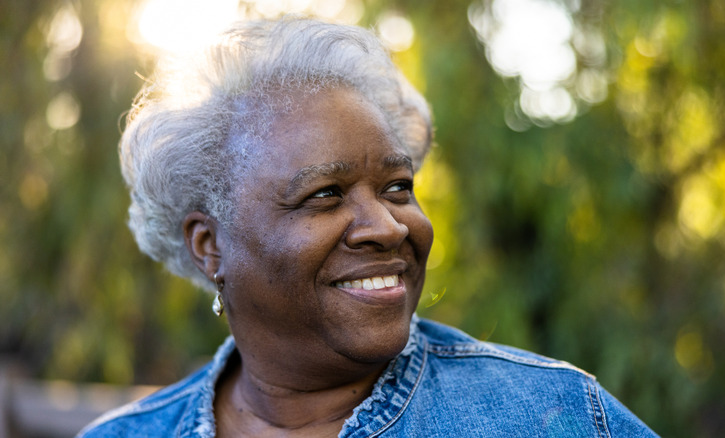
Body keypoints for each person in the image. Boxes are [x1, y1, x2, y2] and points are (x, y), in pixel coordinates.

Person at [77, 17, 657, 437]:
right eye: (324, 194)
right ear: (210, 246)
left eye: (398, 187)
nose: (388, 226)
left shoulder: (551, 417)